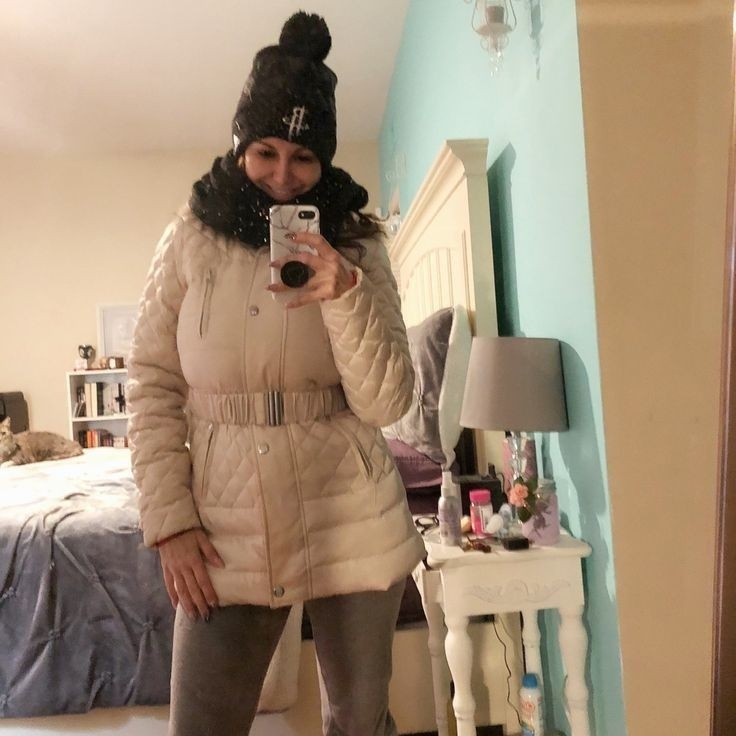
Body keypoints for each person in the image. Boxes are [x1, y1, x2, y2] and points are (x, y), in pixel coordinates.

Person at [127, 11, 425, 736]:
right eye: (265, 152)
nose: (283, 177)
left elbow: (387, 402)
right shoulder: (190, 235)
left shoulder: (357, 241)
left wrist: (345, 295)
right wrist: (170, 522)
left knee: (360, 723)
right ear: (240, 145)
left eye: (303, 158)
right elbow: (152, 381)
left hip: (351, 511)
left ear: (325, 162)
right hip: (226, 521)